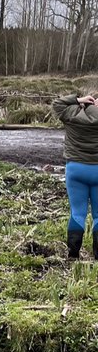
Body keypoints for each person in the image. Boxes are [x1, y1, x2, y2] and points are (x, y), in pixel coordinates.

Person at [51, 93, 98, 259]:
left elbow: (57, 103)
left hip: (75, 169)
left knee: (77, 213)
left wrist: (78, 100)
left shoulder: (72, 114)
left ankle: (73, 255)